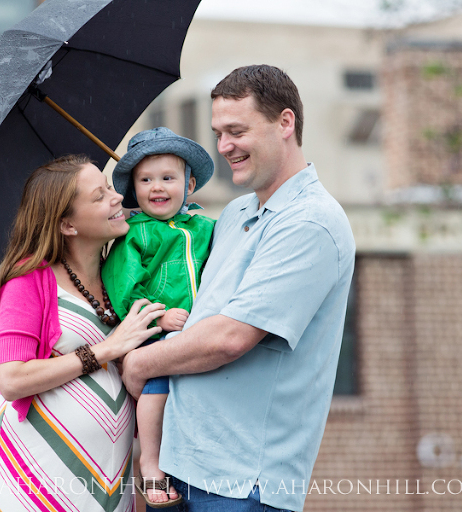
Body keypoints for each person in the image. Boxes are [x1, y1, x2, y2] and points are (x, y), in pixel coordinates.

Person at [121, 65, 356, 512]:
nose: (223, 146)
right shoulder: (233, 215)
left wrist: (139, 363)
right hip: (182, 469)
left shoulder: (311, 222)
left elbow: (229, 338)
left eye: (236, 131)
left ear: (285, 123)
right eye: (218, 132)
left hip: (243, 485)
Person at [0, 155, 166, 512]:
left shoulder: (121, 278)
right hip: (34, 484)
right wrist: (106, 349)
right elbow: (12, 378)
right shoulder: (28, 280)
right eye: (98, 196)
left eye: (110, 187)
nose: (115, 198)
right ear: (67, 225)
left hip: (110, 481)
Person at [101, 127, 215, 507]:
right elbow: (123, 292)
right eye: (145, 180)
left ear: (190, 182)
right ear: (133, 189)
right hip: (158, 332)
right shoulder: (135, 235)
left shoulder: (203, 228)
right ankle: (149, 462)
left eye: (168, 178)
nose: (157, 187)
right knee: (158, 382)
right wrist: (159, 319)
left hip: (200, 330)